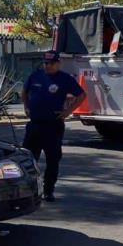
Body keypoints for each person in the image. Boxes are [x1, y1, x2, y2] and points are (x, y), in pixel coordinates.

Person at [22, 50, 87, 202]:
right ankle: (30, 191)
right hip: (35, 124)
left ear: (58, 63)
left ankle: (48, 190)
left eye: (51, 63)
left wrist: (68, 111)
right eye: (46, 63)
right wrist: (26, 107)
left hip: (53, 125)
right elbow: (24, 92)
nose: (48, 66)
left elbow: (81, 95)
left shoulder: (65, 79)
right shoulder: (35, 75)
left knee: (52, 160)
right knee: (29, 160)